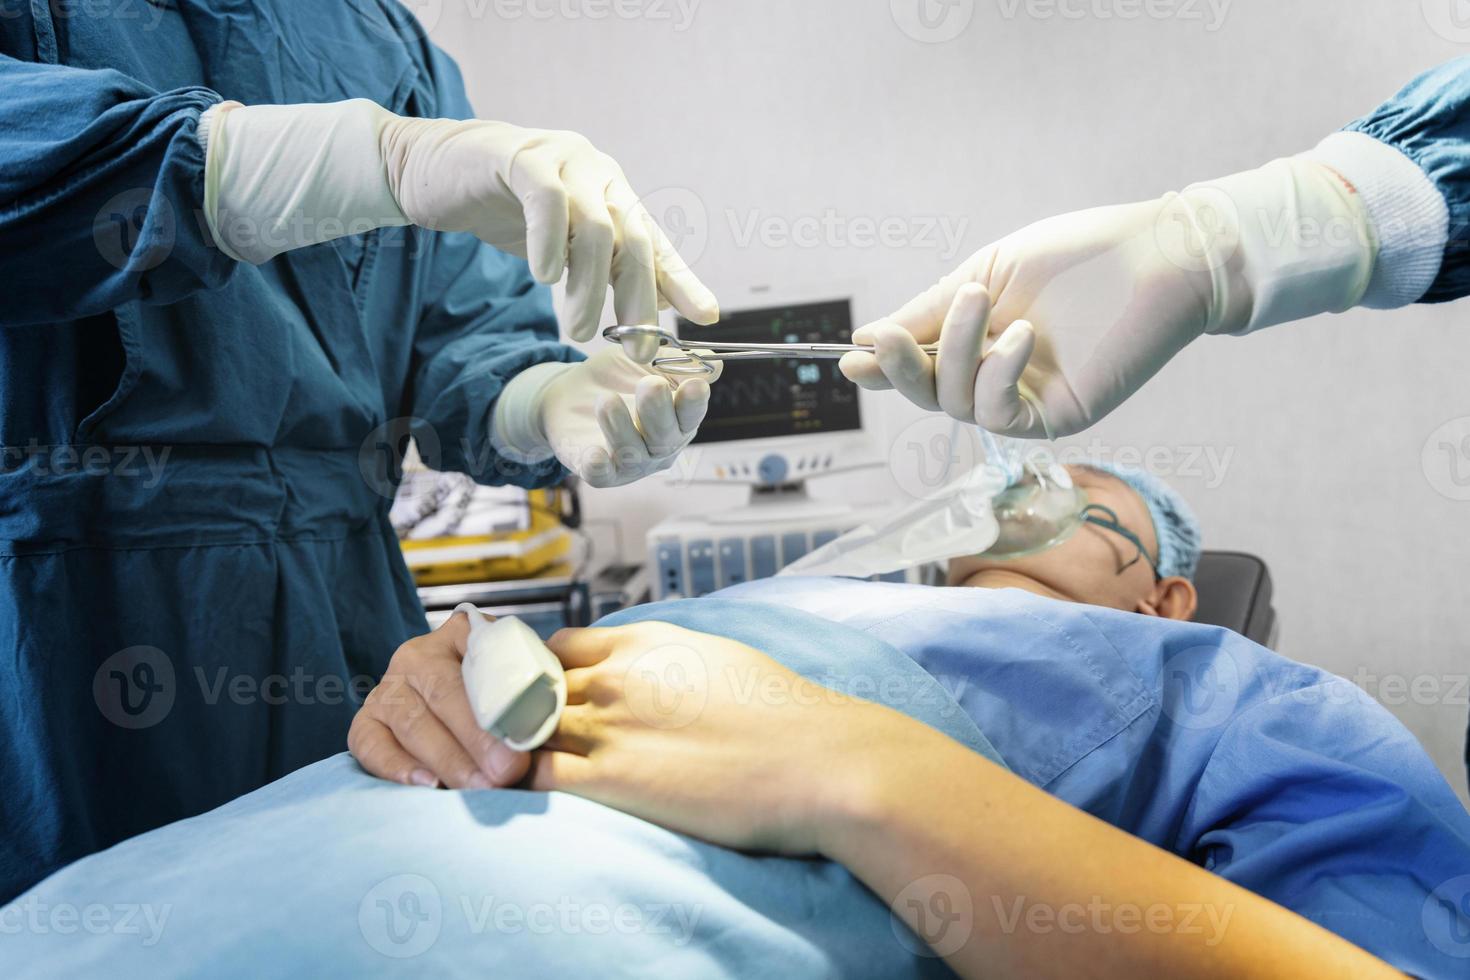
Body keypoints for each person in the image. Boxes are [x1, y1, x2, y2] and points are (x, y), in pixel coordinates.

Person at [8, 466, 1466, 977]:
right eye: (1001, 481)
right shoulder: (786, 599)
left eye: (1074, 504)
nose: (1013, 500)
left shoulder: (1228, 693)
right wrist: (437, 677)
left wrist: (877, 780)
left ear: (1164, 595)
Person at [0, 2, 718, 901]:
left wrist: (546, 401)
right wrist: (318, 162)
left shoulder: (379, 38)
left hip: (347, 625)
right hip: (56, 633)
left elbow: (466, 334)